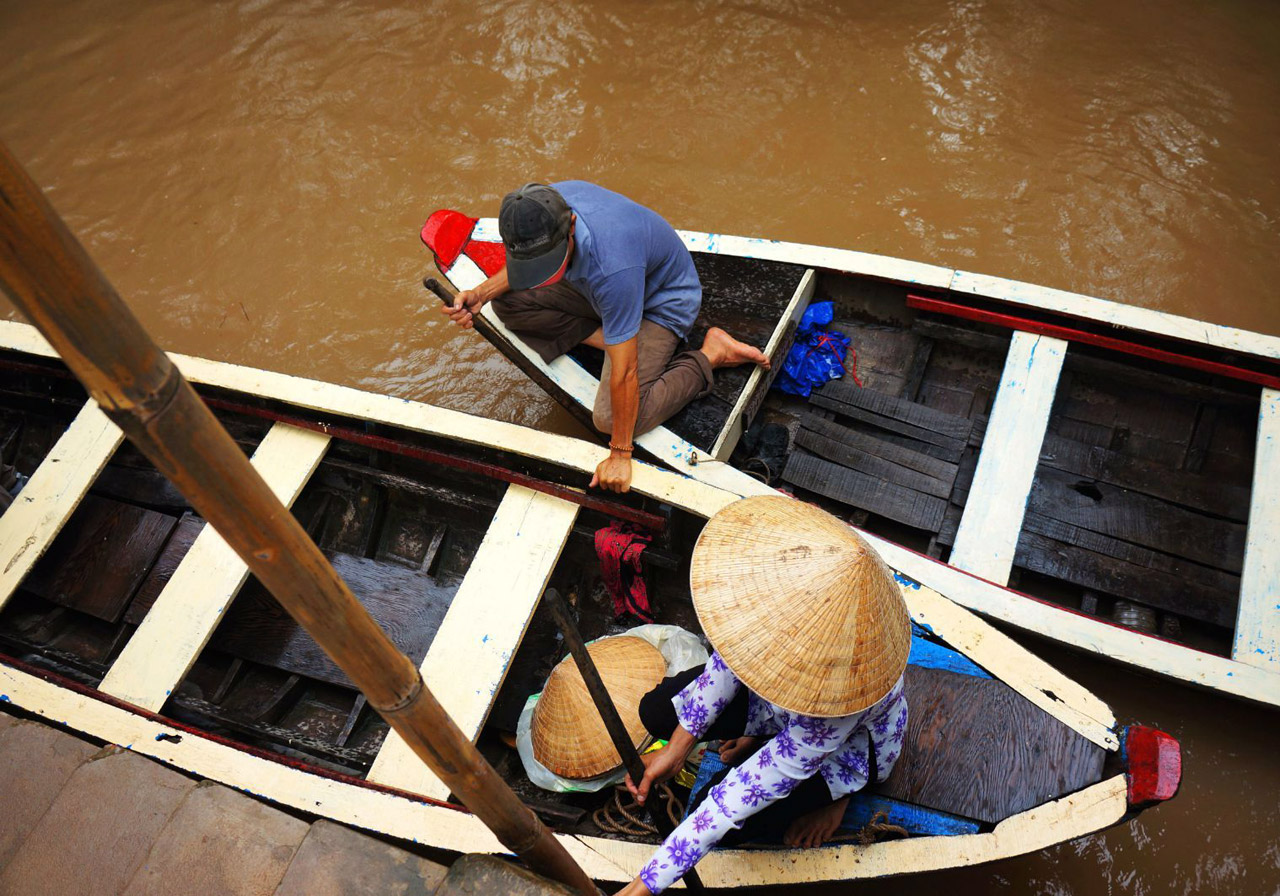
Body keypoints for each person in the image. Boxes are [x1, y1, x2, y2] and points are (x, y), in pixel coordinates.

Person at [616, 495, 913, 895]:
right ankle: (763, 737)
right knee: (656, 711)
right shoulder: (771, 605)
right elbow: (729, 663)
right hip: (775, 706)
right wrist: (677, 748)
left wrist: (642, 887)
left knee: (715, 806)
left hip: (847, 747)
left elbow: (726, 807)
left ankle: (842, 794)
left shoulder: (835, 704)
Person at [441, 181, 770, 494]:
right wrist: (481, 293)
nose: (539, 273)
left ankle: (712, 352)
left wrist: (620, 454)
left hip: (660, 303)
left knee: (610, 418)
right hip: (602, 286)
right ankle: (618, 341)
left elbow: (625, 375)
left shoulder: (612, 267)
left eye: (548, 261)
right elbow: (522, 269)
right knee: (507, 303)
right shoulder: (541, 207)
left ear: (571, 225)